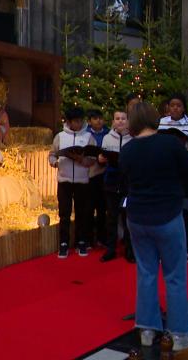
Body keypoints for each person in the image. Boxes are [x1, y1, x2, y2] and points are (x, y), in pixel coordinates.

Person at [119, 101, 188, 350]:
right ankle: (178, 334)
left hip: (137, 218)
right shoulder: (169, 144)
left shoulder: (128, 150)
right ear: (154, 118)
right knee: (175, 275)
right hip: (166, 216)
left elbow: (127, 179)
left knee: (146, 272)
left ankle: (147, 329)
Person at [48, 107, 97, 258]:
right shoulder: (60, 137)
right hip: (64, 180)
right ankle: (63, 243)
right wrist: (55, 162)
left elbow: (93, 159)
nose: (79, 123)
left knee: (82, 212)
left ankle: (81, 241)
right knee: (64, 213)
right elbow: (52, 154)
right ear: (68, 122)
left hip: (82, 181)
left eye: (81, 120)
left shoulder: (89, 137)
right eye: (76, 121)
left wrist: (81, 159)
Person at [158, 93, 188, 256]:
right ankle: (166, 248)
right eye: (172, 105)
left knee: (184, 211)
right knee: (167, 211)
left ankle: (185, 248)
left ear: (184, 107)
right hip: (166, 172)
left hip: (185, 172)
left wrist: (186, 145)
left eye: (179, 105)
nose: (175, 108)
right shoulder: (161, 123)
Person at [97, 109, 133, 262]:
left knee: (128, 217)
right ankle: (110, 249)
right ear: (112, 121)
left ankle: (130, 250)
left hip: (127, 182)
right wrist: (101, 159)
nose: (120, 121)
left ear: (128, 121)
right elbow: (101, 158)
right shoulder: (107, 138)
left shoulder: (133, 138)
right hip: (111, 180)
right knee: (111, 216)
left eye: (123, 118)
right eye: (117, 118)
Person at [86, 109, 110, 247]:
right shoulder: (86, 134)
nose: (99, 121)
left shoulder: (108, 134)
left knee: (102, 208)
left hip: (104, 174)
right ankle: (89, 238)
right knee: (88, 208)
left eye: (101, 118)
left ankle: (102, 237)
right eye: (95, 119)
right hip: (89, 174)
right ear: (89, 121)